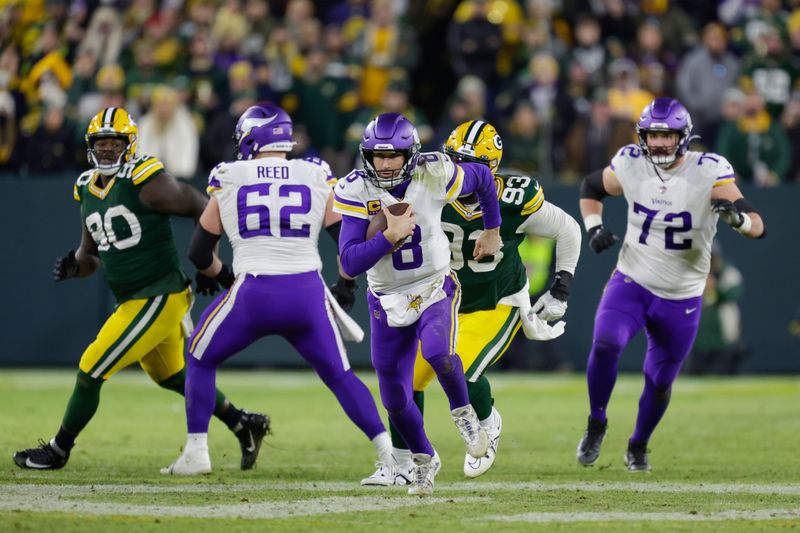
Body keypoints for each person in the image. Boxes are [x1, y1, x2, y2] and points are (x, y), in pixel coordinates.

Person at [13, 107, 269, 471]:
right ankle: (244, 423)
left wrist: (209, 263)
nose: (105, 150)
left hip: (158, 293)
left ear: (128, 145)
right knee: (172, 376)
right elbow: (92, 255)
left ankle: (58, 449)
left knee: (91, 368)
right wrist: (76, 266)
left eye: (113, 143)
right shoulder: (86, 186)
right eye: (99, 143)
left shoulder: (144, 179)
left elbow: (202, 205)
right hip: (135, 298)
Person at [161, 103, 389, 476]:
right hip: (307, 294)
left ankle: (197, 451)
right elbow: (343, 240)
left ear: (251, 138)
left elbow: (199, 251)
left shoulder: (230, 176)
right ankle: (388, 452)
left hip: (254, 293)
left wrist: (219, 274)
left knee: (199, 356)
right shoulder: (314, 173)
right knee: (340, 374)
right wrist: (346, 284)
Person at [361, 119, 581, 485]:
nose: (461, 171)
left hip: (497, 301)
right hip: (442, 300)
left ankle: (488, 421)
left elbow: (567, 228)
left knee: (461, 367)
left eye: (472, 164)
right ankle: (403, 465)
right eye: (455, 160)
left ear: (491, 169)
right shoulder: (428, 187)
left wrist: (562, 287)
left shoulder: (514, 197)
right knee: (406, 380)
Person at [576, 97, 766, 472]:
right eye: (653, 135)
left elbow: (757, 224)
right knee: (605, 342)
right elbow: (590, 186)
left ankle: (638, 444)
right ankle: (597, 421)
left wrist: (737, 221)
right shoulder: (630, 162)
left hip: (682, 296)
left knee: (660, 381)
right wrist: (594, 227)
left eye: (668, 135)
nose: (660, 143)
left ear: (684, 136)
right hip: (632, 279)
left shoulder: (708, 170)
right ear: (642, 135)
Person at [333, 112, 502, 495]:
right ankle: (424, 460)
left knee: (440, 352)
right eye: (378, 155)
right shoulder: (357, 189)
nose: (386, 163)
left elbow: (484, 178)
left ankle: (465, 416)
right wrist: (387, 238)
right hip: (386, 297)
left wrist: (492, 229)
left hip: (432, 284)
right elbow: (349, 262)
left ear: (411, 154)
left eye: (394, 155)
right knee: (394, 398)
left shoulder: (435, 172)